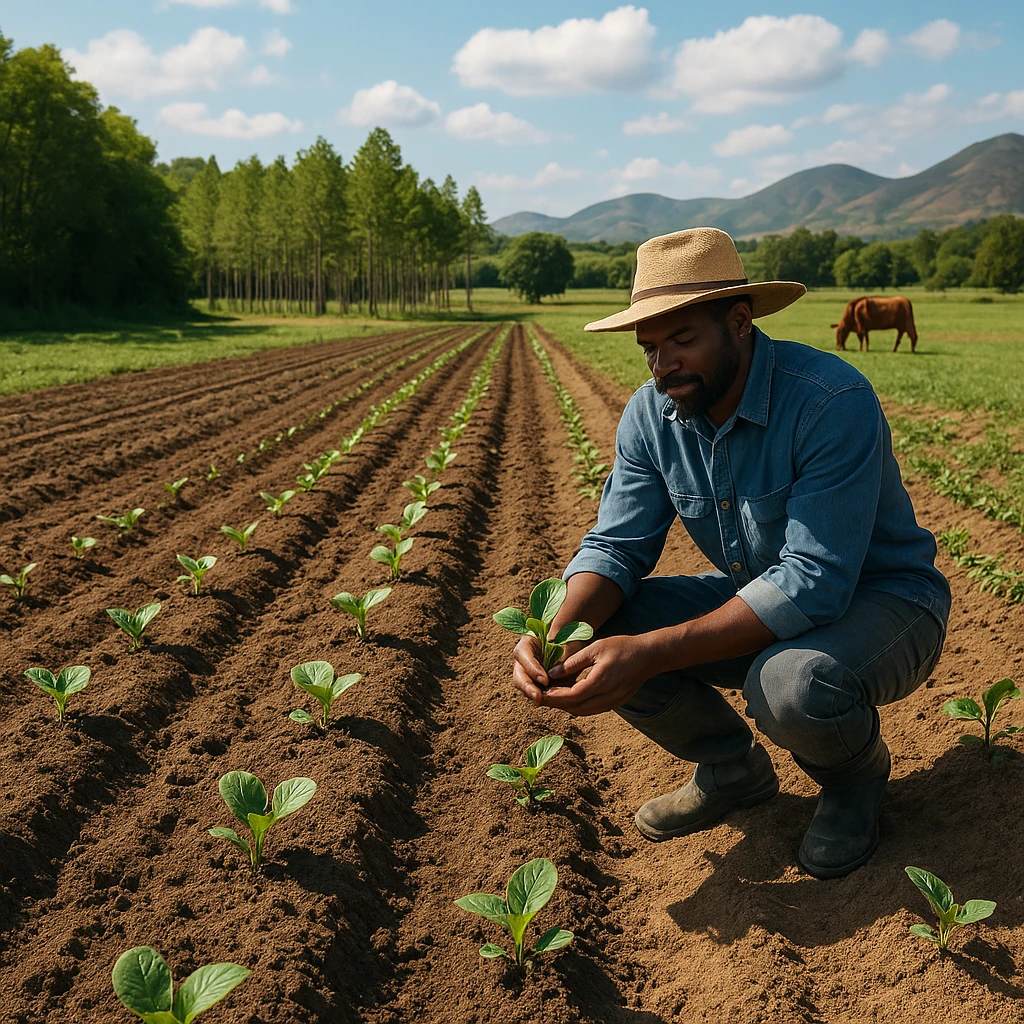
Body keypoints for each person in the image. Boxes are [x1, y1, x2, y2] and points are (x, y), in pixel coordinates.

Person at [510, 227, 950, 879]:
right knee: (601, 625)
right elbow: (616, 546)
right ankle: (731, 768)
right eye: (651, 348)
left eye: (682, 340)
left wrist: (654, 652)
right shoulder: (650, 416)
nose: (663, 365)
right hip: (765, 594)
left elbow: (814, 582)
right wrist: (555, 636)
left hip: (885, 602)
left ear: (740, 322)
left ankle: (855, 778)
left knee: (790, 684)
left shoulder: (830, 401)